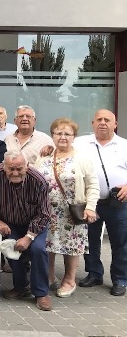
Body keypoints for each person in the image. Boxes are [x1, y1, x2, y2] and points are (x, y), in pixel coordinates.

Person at [0, 149, 53, 311]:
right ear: (4, 166)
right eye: (11, 168)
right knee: (12, 249)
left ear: (27, 166)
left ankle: (41, 293)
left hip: (34, 223)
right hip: (9, 221)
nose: (15, 172)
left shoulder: (38, 181)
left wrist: (29, 237)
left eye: (19, 168)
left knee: (38, 250)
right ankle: (20, 286)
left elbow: (44, 213)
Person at [34, 118, 99, 298]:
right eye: (58, 133)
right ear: (52, 135)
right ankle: (49, 276)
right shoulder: (45, 155)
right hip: (47, 210)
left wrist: (91, 208)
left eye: (67, 134)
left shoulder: (82, 158)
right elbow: (33, 178)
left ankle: (70, 280)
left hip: (72, 211)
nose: (62, 137)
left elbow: (93, 185)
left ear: (74, 137)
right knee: (48, 243)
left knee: (71, 245)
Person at [73, 109, 127, 296]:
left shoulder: (124, 145)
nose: (103, 122)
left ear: (115, 124)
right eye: (99, 120)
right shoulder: (80, 143)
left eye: (107, 120)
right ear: (93, 123)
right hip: (90, 202)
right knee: (90, 240)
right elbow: (62, 152)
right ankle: (94, 273)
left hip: (118, 203)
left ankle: (120, 279)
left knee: (120, 242)